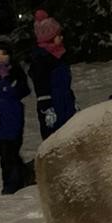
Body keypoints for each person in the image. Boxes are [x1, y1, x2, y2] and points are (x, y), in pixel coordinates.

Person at [0, 36, 31, 195]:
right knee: (2, 152)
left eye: (4, 54)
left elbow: (24, 91)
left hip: (13, 115)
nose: (1, 58)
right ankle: (10, 181)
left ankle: (14, 182)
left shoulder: (16, 72)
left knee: (12, 149)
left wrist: (12, 84)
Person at [28, 9, 78, 140]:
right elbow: (41, 86)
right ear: (49, 38)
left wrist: (71, 99)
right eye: (58, 35)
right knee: (54, 139)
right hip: (52, 107)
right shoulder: (41, 59)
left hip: (65, 103)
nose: (61, 37)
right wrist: (47, 108)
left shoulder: (60, 56)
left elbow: (65, 83)